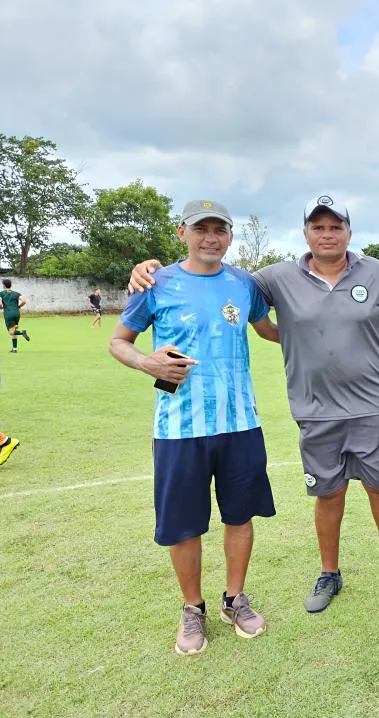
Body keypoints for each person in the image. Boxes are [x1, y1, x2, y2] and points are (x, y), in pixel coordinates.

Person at [127, 194, 379, 612]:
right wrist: (147, 266)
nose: (327, 234)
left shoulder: (377, 271)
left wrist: (371, 343)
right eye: (318, 227)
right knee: (328, 494)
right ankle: (329, 573)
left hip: (373, 405)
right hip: (314, 408)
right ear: (306, 233)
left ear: (349, 232)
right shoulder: (272, 278)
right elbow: (213, 277)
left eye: (336, 227)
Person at [110, 199, 277, 655]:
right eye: (200, 228)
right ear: (182, 232)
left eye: (219, 229)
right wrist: (147, 362)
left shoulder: (244, 284)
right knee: (183, 524)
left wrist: (332, 332)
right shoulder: (156, 282)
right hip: (178, 427)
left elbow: (270, 331)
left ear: (229, 235)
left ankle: (235, 598)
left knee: (240, 516)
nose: (211, 237)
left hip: (240, 422)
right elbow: (119, 341)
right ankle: (192, 608)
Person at [0, 279, 29, 352]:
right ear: (11, 285)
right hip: (16, 313)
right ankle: (14, 349)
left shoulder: (1, 293)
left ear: (3, 285)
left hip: (8, 314)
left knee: (11, 332)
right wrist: (19, 307)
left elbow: (0, 304)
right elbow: (24, 301)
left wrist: (1, 308)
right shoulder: (16, 293)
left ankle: (22, 332)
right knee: (14, 329)